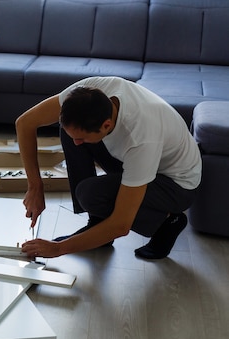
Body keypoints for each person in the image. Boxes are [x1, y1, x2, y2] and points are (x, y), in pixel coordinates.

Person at [17, 76, 201, 260]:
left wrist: (58, 249)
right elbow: (24, 123)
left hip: (176, 184)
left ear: (107, 125)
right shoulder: (88, 91)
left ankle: (168, 221)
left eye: (82, 138)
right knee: (72, 131)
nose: (76, 143)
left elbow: (120, 225)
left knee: (90, 194)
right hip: (146, 159)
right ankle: (97, 223)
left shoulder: (140, 139)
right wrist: (35, 187)